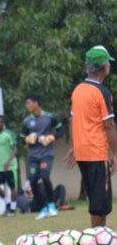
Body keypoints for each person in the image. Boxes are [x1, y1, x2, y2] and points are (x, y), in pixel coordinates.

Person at [65, 45, 117, 228]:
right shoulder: (102, 92)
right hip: (96, 152)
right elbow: (109, 126)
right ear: (104, 66)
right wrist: (116, 154)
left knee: (96, 199)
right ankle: (96, 240)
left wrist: (73, 146)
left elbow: (73, 120)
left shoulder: (78, 90)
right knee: (100, 204)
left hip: (82, 152)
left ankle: (97, 238)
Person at [20, 93, 63, 220]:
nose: (27, 105)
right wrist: (28, 139)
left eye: (29, 103)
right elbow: (22, 138)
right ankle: (43, 208)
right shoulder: (27, 121)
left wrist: (51, 137)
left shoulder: (50, 117)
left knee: (44, 176)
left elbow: (60, 131)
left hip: (46, 154)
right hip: (33, 156)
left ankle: (51, 206)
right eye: (26, 103)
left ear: (36, 103)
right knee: (32, 181)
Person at [0, 115, 19, 215]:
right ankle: (7, 204)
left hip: (10, 167)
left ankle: (13, 209)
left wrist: (9, 162)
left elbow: (15, 150)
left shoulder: (9, 134)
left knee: (13, 188)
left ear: (3, 123)